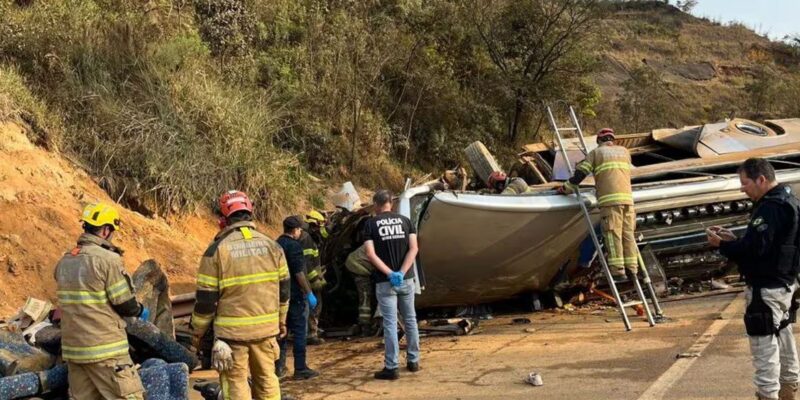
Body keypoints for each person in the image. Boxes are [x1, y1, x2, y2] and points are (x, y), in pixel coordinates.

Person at [707, 158, 800, 400]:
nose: (742, 188)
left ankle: (768, 395)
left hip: (766, 288)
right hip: (784, 283)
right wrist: (735, 239)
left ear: (761, 179)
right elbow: (769, 243)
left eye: (745, 182)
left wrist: (722, 245)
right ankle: (789, 388)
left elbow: (756, 249)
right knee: (783, 336)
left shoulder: (770, 207)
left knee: (764, 346)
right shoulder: (789, 200)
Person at [191, 190, 290, 400]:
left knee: (235, 384)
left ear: (223, 220)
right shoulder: (273, 246)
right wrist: (281, 320)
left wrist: (197, 332)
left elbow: (206, 300)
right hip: (266, 331)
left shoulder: (216, 251)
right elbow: (284, 290)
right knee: (267, 380)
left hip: (232, 336)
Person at [55, 202, 148, 400]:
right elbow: (124, 303)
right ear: (106, 230)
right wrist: (140, 310)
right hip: (106, 351)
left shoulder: (65, 261)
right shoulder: (107, 260)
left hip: (75, 352)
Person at [558, 128, 636, 280]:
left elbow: (580, 174)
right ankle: (632, 269)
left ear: (599, 141)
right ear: (612, 139)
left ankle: (618, 270)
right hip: (628, 200)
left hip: (610, 202)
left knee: (613, 234)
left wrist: (566, 188)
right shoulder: (625, 152)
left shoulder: (596, 153)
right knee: (628, 234)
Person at [364, 189, 420, 380]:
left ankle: (392, 367)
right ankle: (413, 361)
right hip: (407, 279)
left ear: (376, 204)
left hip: (384, 281)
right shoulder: (406, 221)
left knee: (389, 323)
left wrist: (389, 273)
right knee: (410, 319)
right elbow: (414, 248)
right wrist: (402, 272)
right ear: (392, 203)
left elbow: (370, 254)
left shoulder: (371, 224)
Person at [275, 216, 320, 380]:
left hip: (280, 296)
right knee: (300, 331)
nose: (300, 232)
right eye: (300, 229)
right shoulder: (294, 246)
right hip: (296, 296)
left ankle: (279, 368)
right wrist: (309, 293)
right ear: (295, 230)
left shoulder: (276, 244)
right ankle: (300, 368)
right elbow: (299, 273)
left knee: (282, 330)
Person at [300, 210, 328, 345]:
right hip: (309, 280)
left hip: (308, 278)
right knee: (314, 306)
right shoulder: (306, 239)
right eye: (319, 226)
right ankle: (311, 334)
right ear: (313, 225)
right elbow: (306, 262)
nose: (320, 230)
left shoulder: (307, 236)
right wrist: (315, 279)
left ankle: (313, 329)